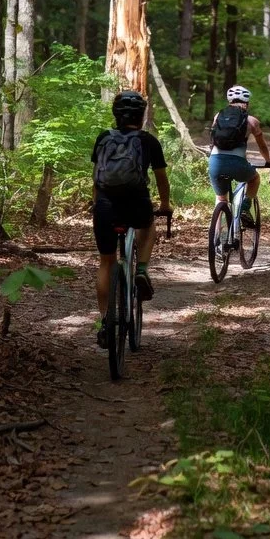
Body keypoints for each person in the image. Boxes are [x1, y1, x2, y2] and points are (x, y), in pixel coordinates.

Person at [91, 90, 171, 349]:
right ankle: (142, 270)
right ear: (141, 115)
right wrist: (166, 204)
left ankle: (105, 321)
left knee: (106, 262)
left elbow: (96, 177)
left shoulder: (103, 138)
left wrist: (96, 203)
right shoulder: (148, 141)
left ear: (116, 115)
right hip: (137, 202)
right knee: (147, 225)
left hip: (105, 204)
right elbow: (161, 178)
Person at [208, 85, 270, 223]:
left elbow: (212, 140)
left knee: (221, 199)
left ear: (229, 102)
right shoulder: (252, 121)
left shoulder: (217, 116)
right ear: (247, 103)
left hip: (215, 162)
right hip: (236, 164)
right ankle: (244, 208)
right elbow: (262, 145)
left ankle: (215, 239)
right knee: (254, 179)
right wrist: (268, 161)